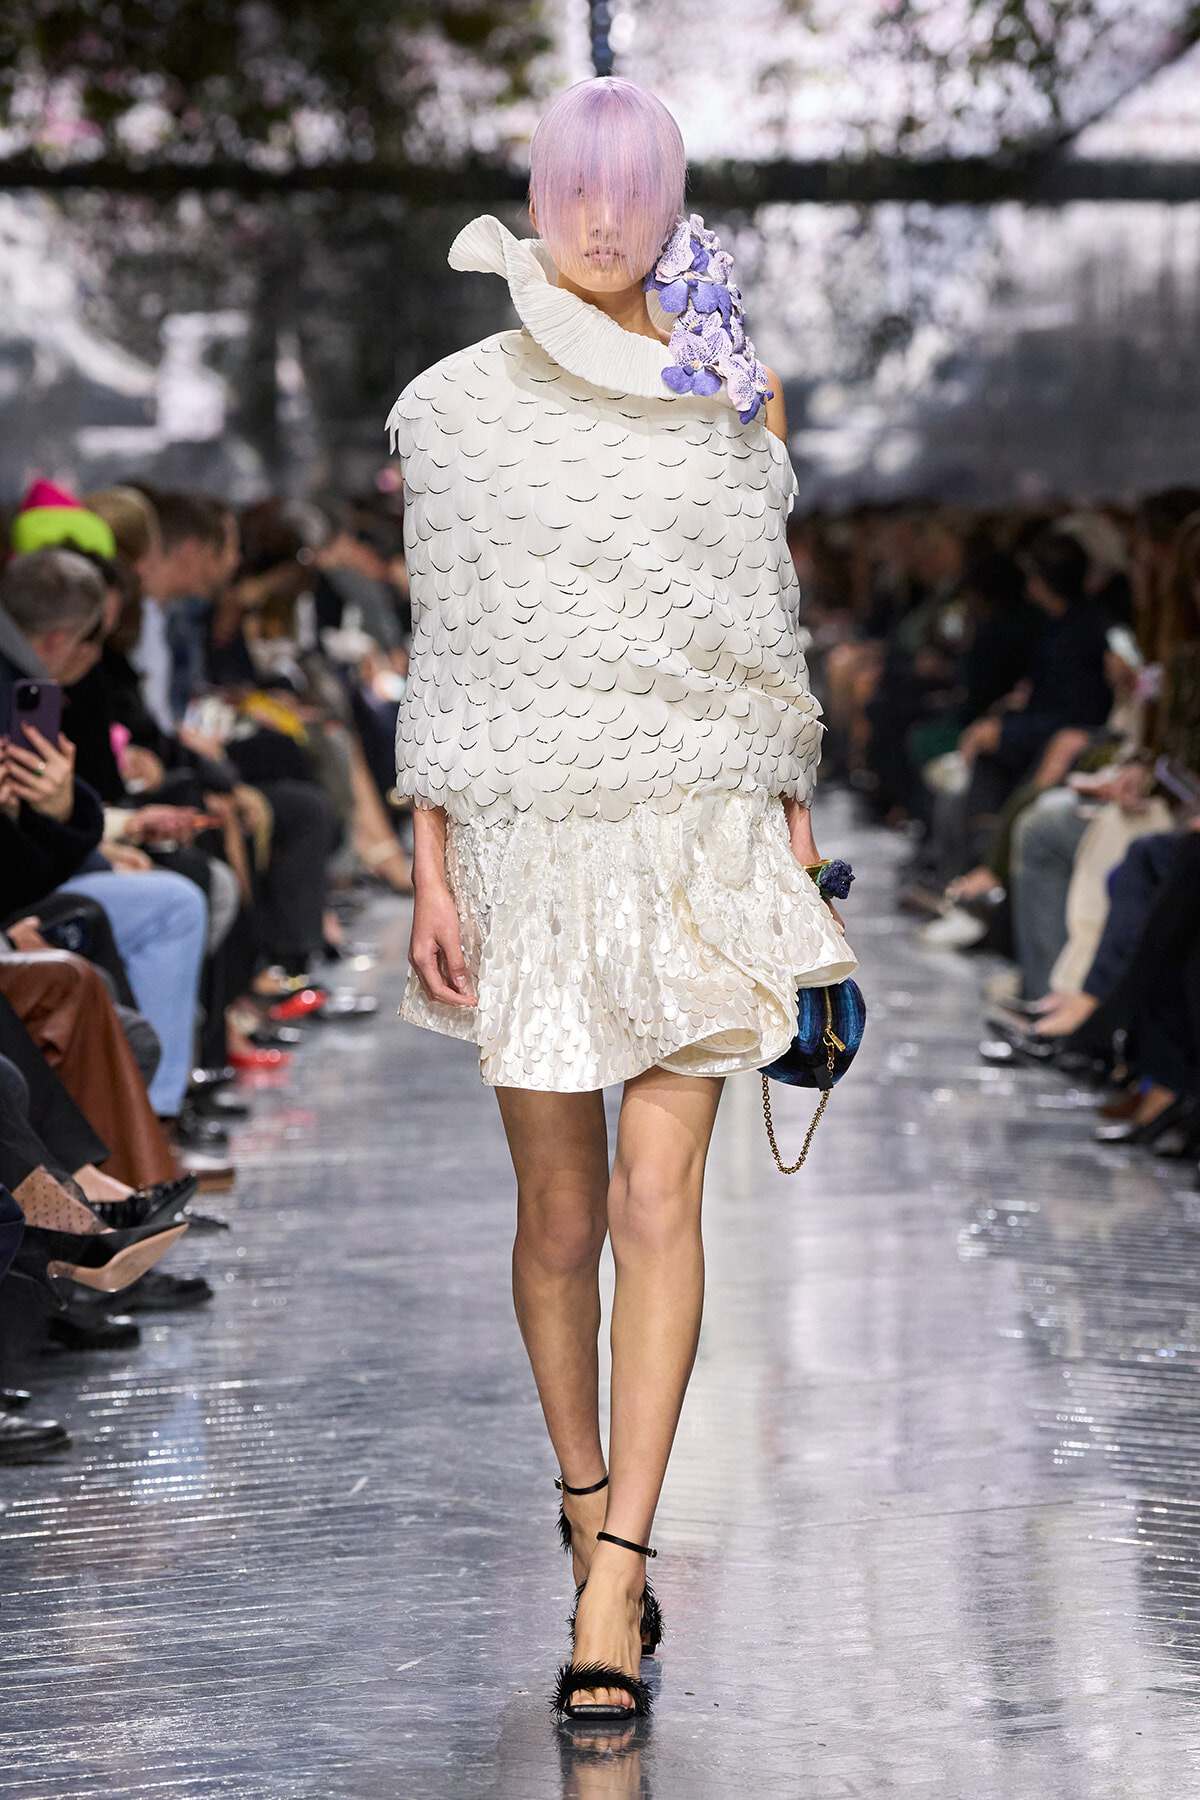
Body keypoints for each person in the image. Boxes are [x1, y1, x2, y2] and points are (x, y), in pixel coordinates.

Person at [391, 76, 855, 1721]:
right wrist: (429, 863)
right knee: (561, 1218)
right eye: (573, 189)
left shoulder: (731, 391)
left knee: (664, 1203)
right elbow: (447, 659)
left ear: (671, 202)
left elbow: (763, 641)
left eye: (632, 190)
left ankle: (620, 1577)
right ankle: (583, 1502)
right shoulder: (448, 410)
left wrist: (797, 861)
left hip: (698, 832)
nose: (601, 222)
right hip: (525, 839)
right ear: (533, 192)